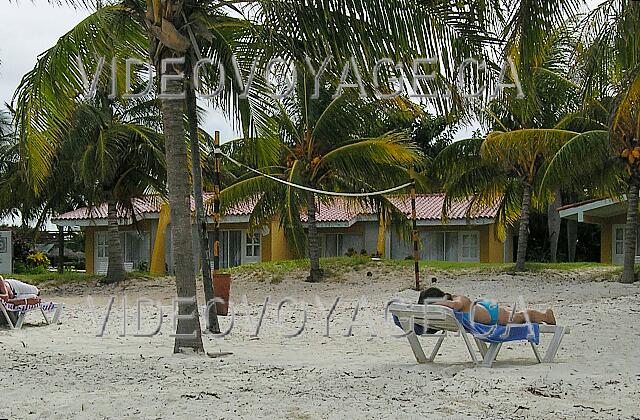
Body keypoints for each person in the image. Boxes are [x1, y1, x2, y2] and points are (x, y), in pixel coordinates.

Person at [418, 287, 556, 325]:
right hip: (486, 312)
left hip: (493, 315)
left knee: (521, 317)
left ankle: (546, 316)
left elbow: (455, 305)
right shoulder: (448, 307)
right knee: (519, 316)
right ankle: (544, 316)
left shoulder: (459, 300)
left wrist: (434, 303)